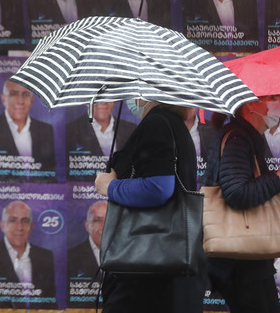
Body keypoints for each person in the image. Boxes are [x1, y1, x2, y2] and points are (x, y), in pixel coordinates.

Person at [94, 100, 206, 312]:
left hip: (147, 270)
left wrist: (111, 187)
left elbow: (159, 188)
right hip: (170, 266)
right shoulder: (175, 125)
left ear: (146, 93)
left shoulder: (157, 124)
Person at [201, 95, 280, 313]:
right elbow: (236, 193)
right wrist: (279, 178)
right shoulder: (238, 137)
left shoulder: (246, 135)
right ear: (250, 104)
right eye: (272, 97)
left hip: (247, 260)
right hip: (239, 262)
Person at [0, 200, 57, 309]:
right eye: (13, 220)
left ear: (31, 226)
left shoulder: (46, 256)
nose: (20, 227)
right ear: (2, 226)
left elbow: (51, 303)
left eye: (25, 221)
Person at [0, 80, 56, 181]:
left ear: (32, 100)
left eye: (25, 94)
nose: (20, 101)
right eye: (13, 94)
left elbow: (50, 176)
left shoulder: (46, 130)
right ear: (4, 99)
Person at [66, 102, 137, 178]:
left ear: (115, 101)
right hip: (84, 187)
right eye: (97, 98)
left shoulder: (130, 128)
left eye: (108, 97)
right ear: (86, 102)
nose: (103, 102)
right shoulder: (72, 129)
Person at [67, 200, 107, 281]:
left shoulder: (126, 255)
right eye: (98, 221)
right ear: (87, 225)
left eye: (109, 220)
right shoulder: (70, 257)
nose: (104, 226)